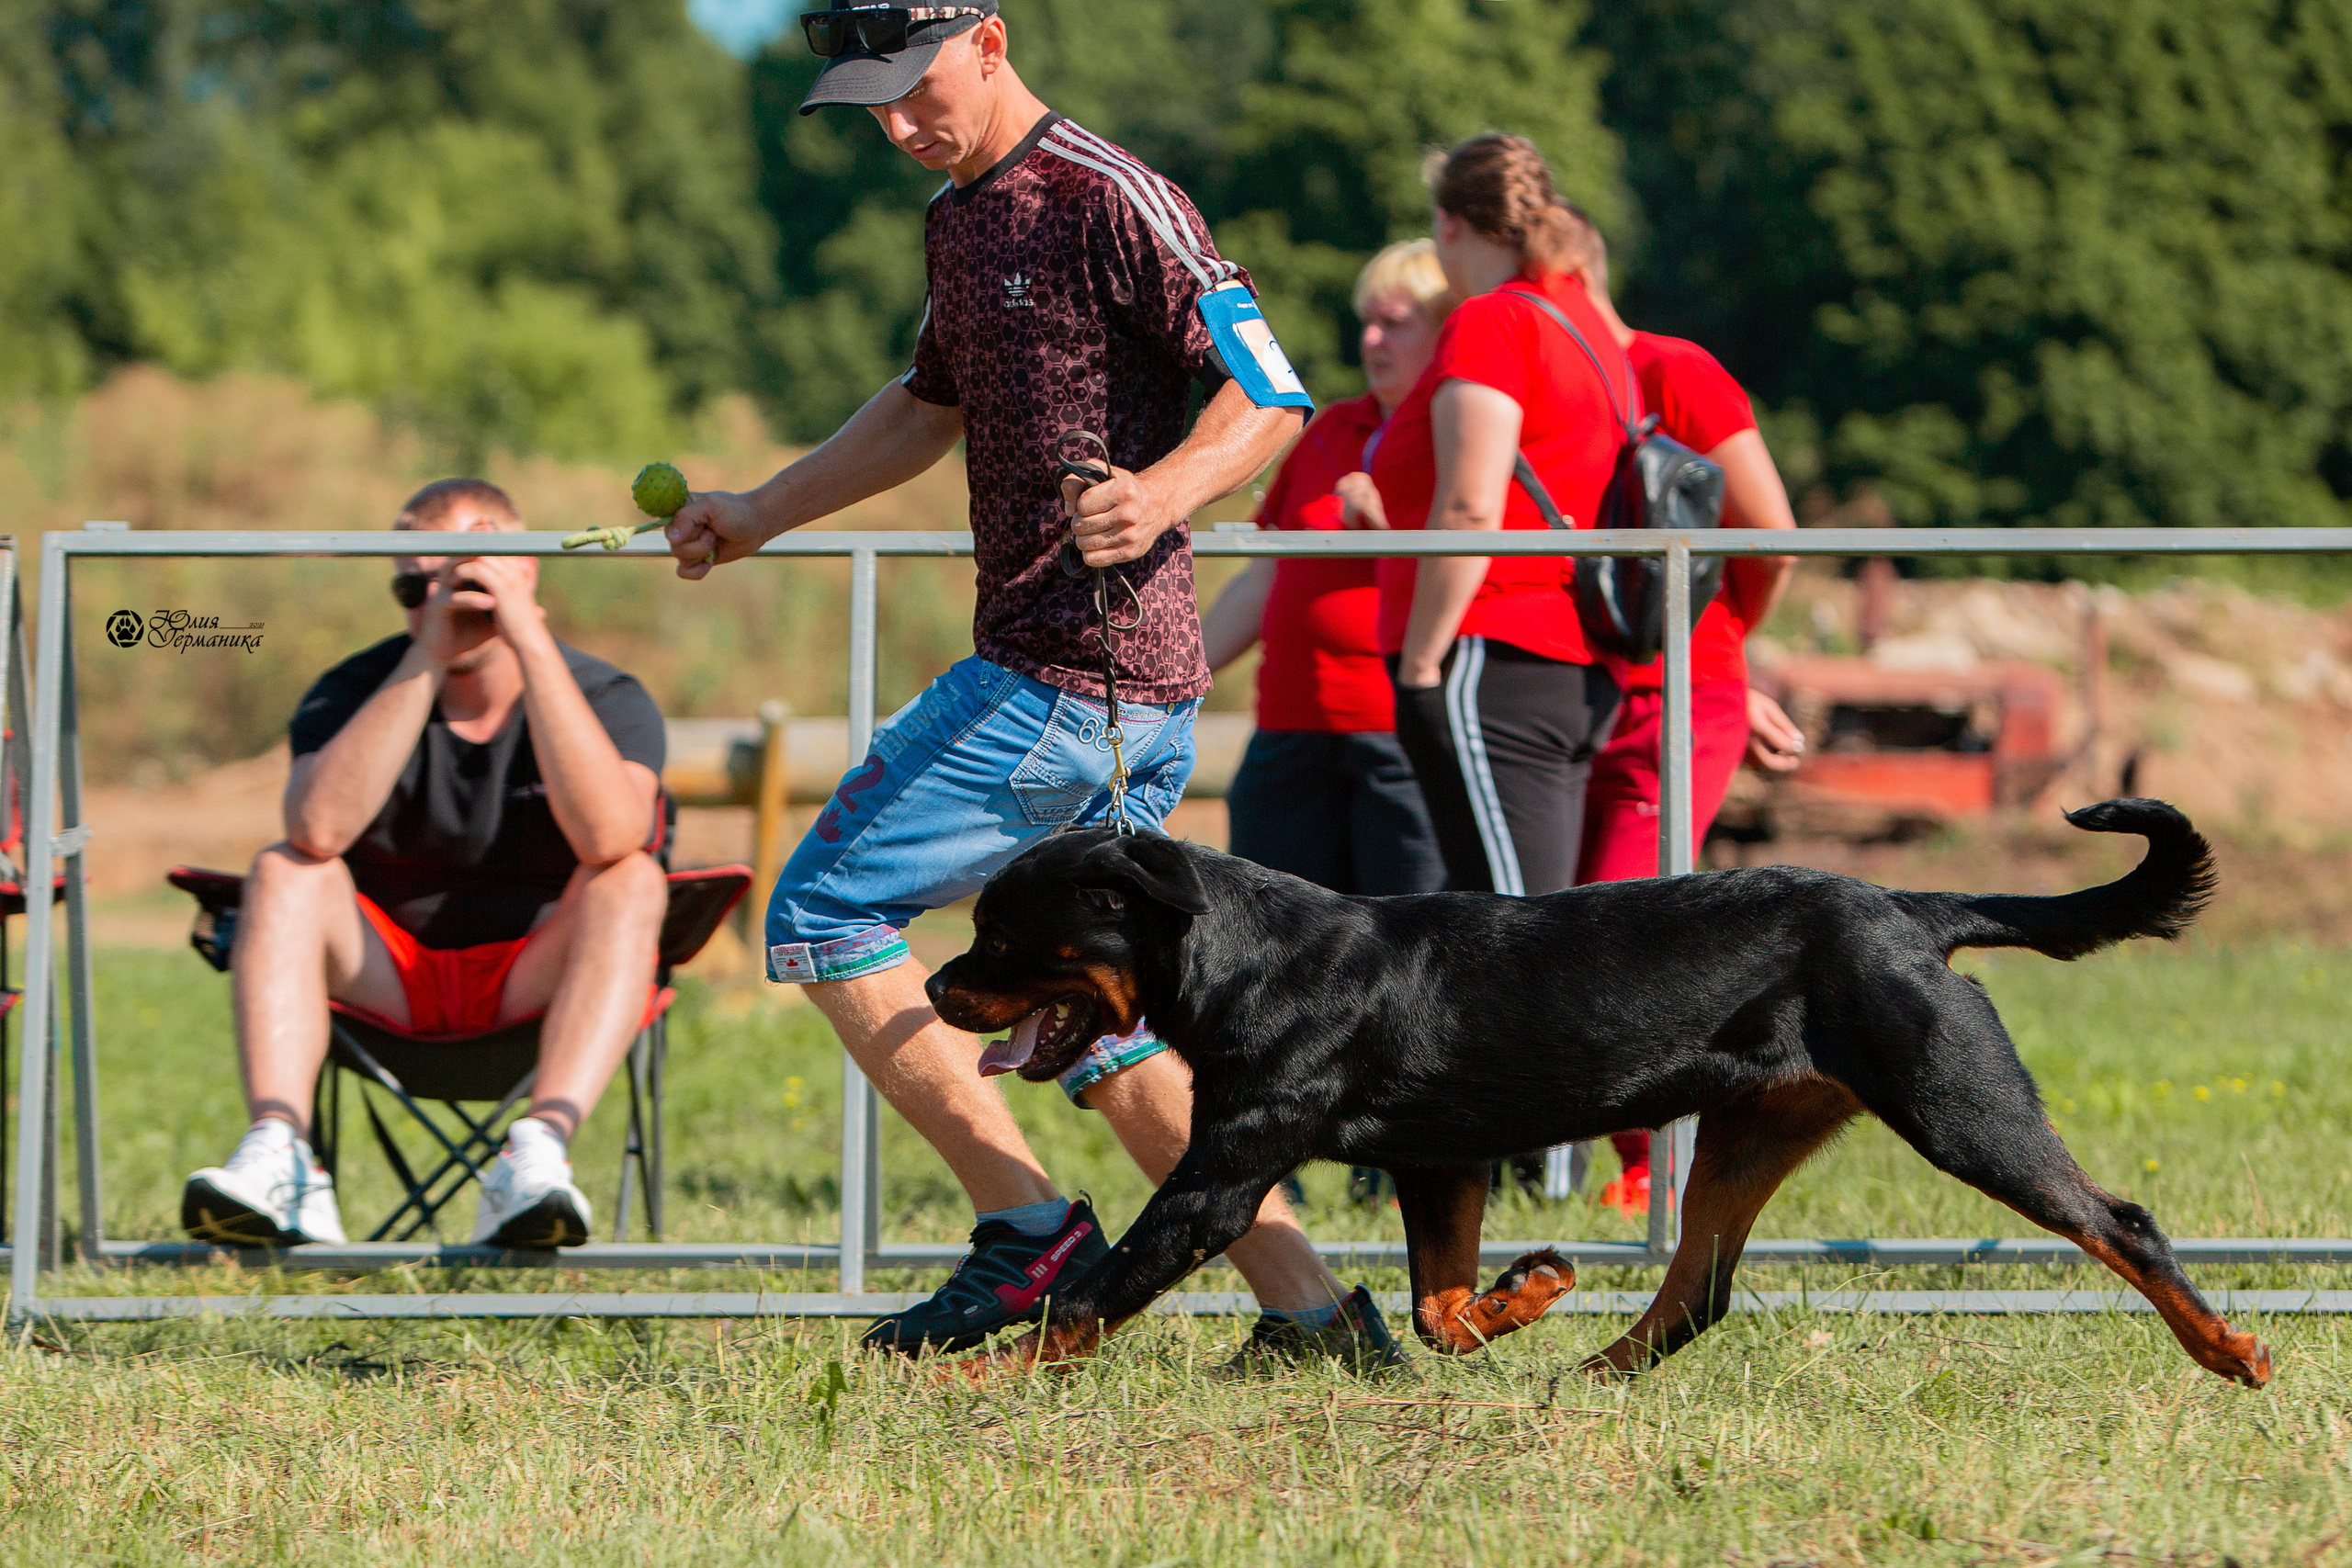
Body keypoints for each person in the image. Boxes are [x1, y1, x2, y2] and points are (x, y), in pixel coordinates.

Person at [662, 0, 1399, 1368]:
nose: (894, 123)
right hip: (1081, 686)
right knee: (1100, 1014)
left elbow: (1273, 390)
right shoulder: (959, 212)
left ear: (990, 41)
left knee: (826, 907)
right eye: (864, 103)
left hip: (1076, 682)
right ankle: (1314, 1317)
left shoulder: (1118, 197)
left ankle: (1027, 1237)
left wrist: (1165, 489)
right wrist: (763, 508)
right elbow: (926, 403)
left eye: (913, 87)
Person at [182, 479, 673, 1250]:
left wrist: (527, 638)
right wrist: (429, 653)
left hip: (534, 979)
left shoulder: (605, 694)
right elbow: (316, 826)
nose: (440, 598)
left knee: (632, 875)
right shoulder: (354, 690)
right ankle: (280, 1149)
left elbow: (613, 835)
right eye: (414, 585)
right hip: (384, 982)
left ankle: (536, 1151)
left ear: (525, 571)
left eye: (469, 578)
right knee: (285, 865)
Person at [1560, 211, 1807, 1215]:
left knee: (1626, 923)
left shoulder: (1674, 368)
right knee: (1562, 915)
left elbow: (1771, 533)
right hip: (1569, 689)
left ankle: (1654, 1165)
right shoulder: (1531, 377)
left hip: (1675, 688)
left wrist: (1728, 655)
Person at [1368, 134, 1625, 904]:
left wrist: (1420, 663)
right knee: (1523, 916)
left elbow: (1472, 504)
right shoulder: (1583, 319)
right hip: (1570, 656)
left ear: (1449, 222)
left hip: (1491, 652)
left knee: (1516, 932)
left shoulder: (1492, 324)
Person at [1200, 240, 1452, 899]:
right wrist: (1179, 675)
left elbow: (1479, 578)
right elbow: (1263, 579)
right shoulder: (1330, 426)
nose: (1372, 338)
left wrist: (1390, 534)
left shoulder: (1461, 441)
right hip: (1288, 733)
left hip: (1399, 738)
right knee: (1271, 946)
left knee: (1409, 950)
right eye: (1367, 320)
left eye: (1396, 322)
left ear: (1446, 332)